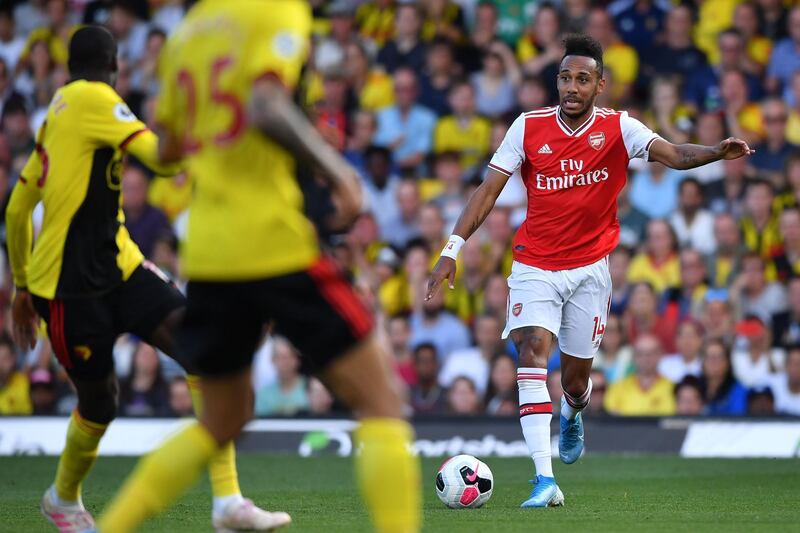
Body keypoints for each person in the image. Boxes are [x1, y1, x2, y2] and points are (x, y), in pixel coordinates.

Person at [96, 3, 420, 532]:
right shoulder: (275, 11)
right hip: (274, 241)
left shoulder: (186, 35)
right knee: (382, 399)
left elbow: (171, 146)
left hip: (209, 251)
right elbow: (266, 104)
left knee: (222, 420)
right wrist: (337, 170)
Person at [426, 33, 753, 508]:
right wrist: (452, 248)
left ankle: (574, 410)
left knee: (575, 382)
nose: (572, 87)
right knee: (532, 349)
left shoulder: (620, 128)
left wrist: (715, 152)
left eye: (583, 78)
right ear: (556, 82)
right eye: (565, 78)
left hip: (589, 272)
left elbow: (676, 155)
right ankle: (544, 479)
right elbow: (488, 191)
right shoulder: (527, 127)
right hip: (535, 264)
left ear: (600, 84)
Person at [5, 26, 274, 532]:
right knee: (100, 402)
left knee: (199, 349)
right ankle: (62, 498)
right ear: (115, 67)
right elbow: (163, 159)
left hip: (119, 265)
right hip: (67, 288)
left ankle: (228, 503)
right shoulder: (95, 99)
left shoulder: (58, 116)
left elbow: (17, 209)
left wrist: (19, 284)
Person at [603, 334, 677, 416]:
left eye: (651, 353)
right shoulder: (617, 387)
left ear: (660, 355)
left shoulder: (673, 388)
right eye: (640, 354)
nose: (646, 358)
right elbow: (613, 419)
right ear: (634, 357)